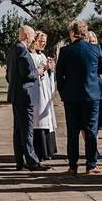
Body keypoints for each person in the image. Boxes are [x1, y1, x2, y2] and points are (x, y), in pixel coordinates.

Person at [55, 20, 102, 174]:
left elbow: (60, 76)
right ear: (85, 33)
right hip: (91, 95)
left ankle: (72, 166)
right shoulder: (95, 48)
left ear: (72, 33)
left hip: (71, 96)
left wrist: (63, 93)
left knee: (72, 131)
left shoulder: (65, 51)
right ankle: (91, 165)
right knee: (91, 131)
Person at [5, 25, 49, 171]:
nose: (32, 39)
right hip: (26, 96)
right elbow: (27, 73)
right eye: (31, 36)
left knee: (18, 130)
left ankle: (20, 161)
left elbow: (8, 75)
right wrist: (39, 71)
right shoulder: (22, 50)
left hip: (16, 95)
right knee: (27, 130)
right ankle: (32, 161)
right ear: (25, 36)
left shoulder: (12, 50)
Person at [28, 31, 58, 161]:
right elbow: (34, 72)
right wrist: (45, 68)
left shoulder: (43, 55)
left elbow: (47, 73)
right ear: (34, 41)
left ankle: (48, 150)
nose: (43, 44)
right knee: (38, 119)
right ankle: (40, 150)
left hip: (45, 91)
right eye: (41, 41)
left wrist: (51, 69)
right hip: (37, 93)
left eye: (45, 42)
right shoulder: (30, 55)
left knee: (46, 119)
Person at [87, 31, 102, 132]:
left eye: (93, 41)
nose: (92, 43)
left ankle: (94, 145)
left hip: (97, 90)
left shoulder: (98, 50)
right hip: (86, 91)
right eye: (89, 41)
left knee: (97, 123)